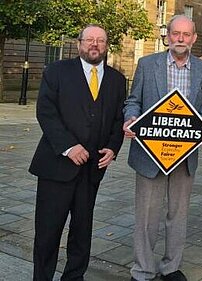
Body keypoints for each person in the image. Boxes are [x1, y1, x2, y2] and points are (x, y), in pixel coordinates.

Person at [29, 24, 126, 281]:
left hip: (92, 169)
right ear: (79, 43)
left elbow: (119, 119)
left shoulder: (117, 79)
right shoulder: (57, 71)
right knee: (48, 231)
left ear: (106, 46)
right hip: (56, 167)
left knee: (82, 231)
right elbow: (46, 113)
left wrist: (113, 148)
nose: (95, 44)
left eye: (101, 41)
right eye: (89, 40)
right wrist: (69, 147)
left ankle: (74, 277)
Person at [122, 15, 202, 281]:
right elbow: (134, 100)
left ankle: (171, 267)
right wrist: (130, 118)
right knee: (147, 216)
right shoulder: (147, 64)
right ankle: (143, 270)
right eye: (175, 33)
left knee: (178, 215)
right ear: (168, 36)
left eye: (186, 34)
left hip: (184, 156)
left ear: (194, 38)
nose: (180, 39)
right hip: (149, 155)